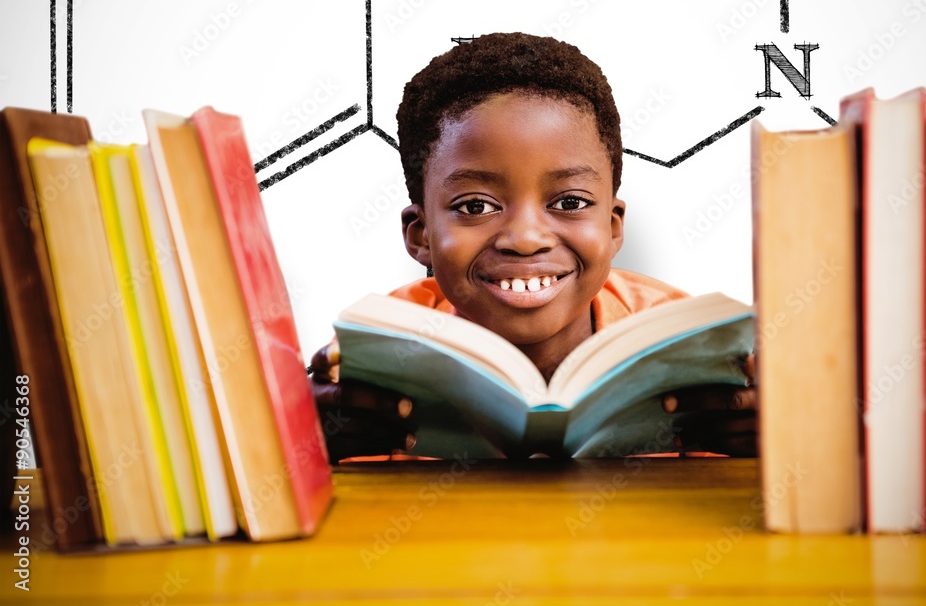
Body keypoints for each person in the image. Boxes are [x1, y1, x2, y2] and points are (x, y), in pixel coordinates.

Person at [309, 32, 756, 462]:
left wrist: (773, 436)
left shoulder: (684, 343)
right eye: (476, 205)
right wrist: (303, 440)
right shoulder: (384, 350)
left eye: (569, 202)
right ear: (421, 235)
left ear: (613, 227)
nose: (525, 239)